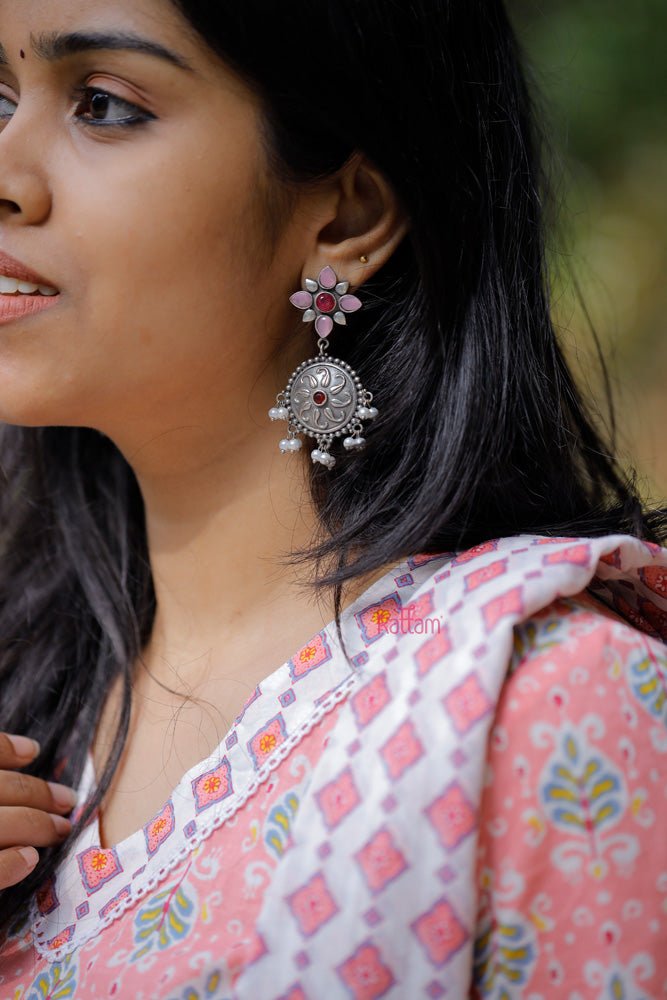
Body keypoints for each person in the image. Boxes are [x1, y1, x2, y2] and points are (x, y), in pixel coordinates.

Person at [0, 0, 665, 997]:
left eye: (103, 103)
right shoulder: (27, 680)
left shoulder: (549, 706)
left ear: (344, 215)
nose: (8, 172)